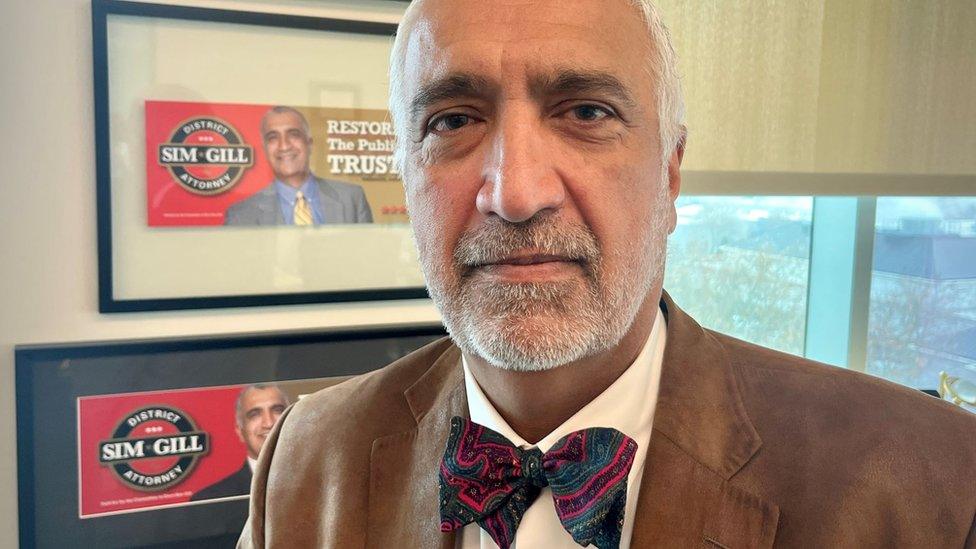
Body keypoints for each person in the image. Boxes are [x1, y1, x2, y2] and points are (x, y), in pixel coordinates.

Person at [239, 1, 976, 547]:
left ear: (672, 174)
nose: (517, 192)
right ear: (406, 173)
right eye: (454, 121)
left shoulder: (930, 485)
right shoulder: (305, 461)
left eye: (585, 110)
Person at [224, 106, 373, 225]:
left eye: (293, 134)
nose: (284, 146)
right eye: (273, 138)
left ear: (309, 143)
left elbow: (370, 258)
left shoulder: (352, 198)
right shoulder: (240, 215)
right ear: (265, 150)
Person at [192, 384, 289, 502]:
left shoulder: (317, 482)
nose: (269, 423)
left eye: (278, 410)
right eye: (255, 414)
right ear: (240, 431)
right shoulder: (208, 500)